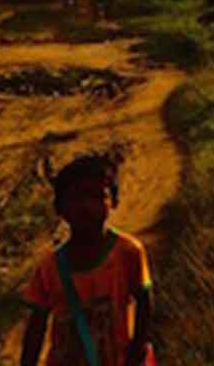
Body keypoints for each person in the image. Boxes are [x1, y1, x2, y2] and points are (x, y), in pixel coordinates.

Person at [20, 152, 153, 366]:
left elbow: (144, 303)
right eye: (76, 198)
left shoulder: (129, 252)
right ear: (59, 208)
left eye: (96, 196)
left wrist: (136, 352)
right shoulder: (49, 267)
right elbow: (36, 326)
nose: (86, 206)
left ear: (114, 201)